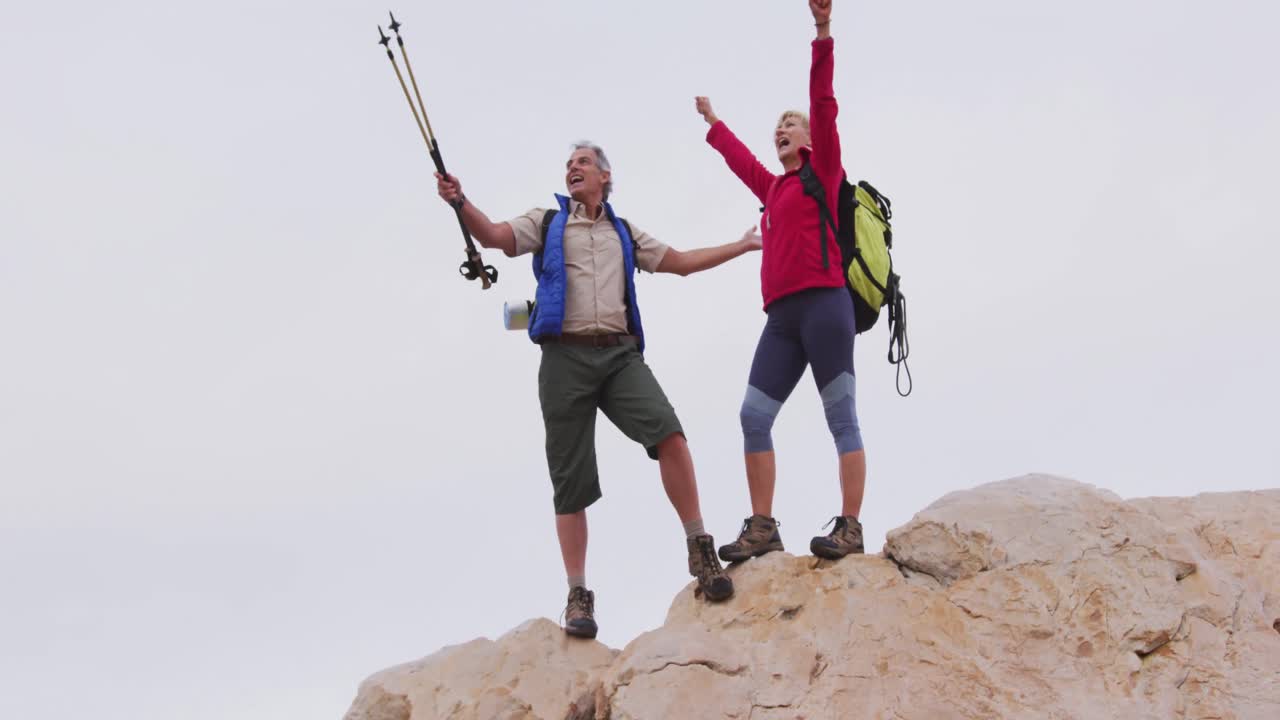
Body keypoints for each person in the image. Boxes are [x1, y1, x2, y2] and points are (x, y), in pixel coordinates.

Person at [435, 142, 760, 639]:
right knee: (570, 479)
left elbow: (681, 262)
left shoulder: (622, 231)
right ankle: (578, 595)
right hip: (563, 358)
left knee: (669, 433)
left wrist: (741, 245)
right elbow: (496, 236)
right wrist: (461, 202)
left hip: (619, 356)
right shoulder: (547, 221)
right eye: (569, 164)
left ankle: (700, 547)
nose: (573, 169)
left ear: (605, 176)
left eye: (583, 162)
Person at [695, 0, 868, 563]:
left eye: (789, 125)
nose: (780, 131)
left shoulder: (825, 169)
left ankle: (850, 527)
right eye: (777, 128)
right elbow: (742, 162)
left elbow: (823, 102)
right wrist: (715, 124)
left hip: (826, 307)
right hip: (782, 320)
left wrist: (822, 31)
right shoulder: (773, 189)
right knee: (753, 416)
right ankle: (763, 526)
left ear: (810, 139)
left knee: (840, 418)